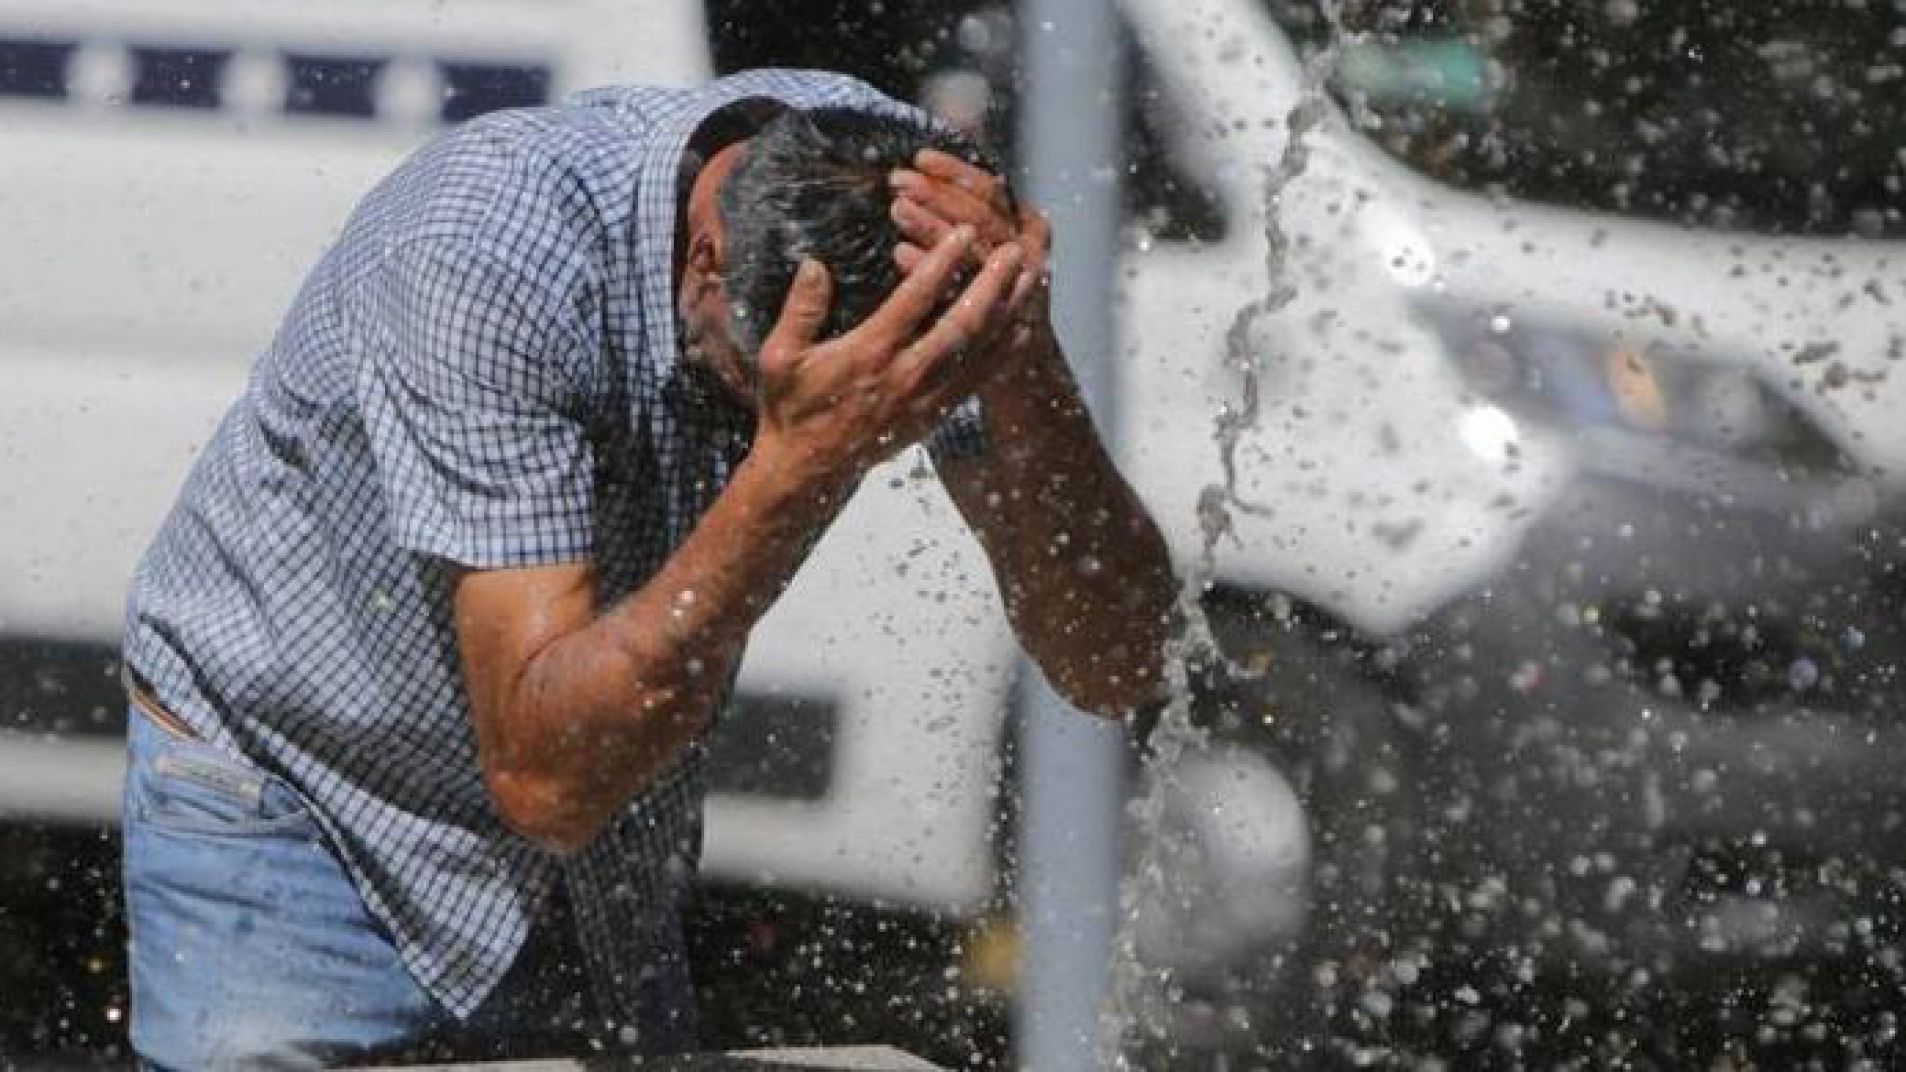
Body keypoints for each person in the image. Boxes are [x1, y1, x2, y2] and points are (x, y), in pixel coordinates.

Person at [119, 68, 1174, 1068]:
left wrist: (1022, 358)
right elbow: (548, 778)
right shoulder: (478, 256)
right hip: (302, 804)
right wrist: (797, 467)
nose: (825, 432)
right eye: (755, 395)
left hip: (592, 820)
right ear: (705, 262)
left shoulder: (921, 221)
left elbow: (1114, 665)